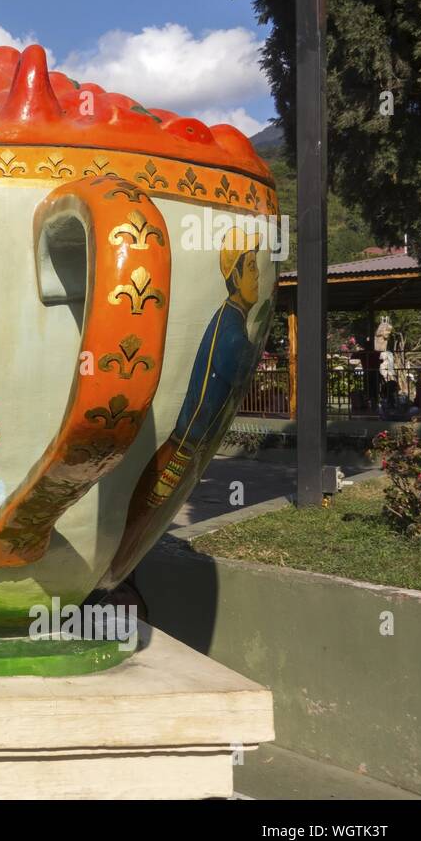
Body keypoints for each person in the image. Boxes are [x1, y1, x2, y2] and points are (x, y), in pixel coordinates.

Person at [108, 229, 263, 582]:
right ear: (235, 276)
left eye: (256, 267)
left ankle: (116, 570)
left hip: (189, 443)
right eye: (251, 267)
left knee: (144, 518)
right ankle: (113, 571)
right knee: (142, 517)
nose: (256, 276)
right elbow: (239, 364)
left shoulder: (232, 319)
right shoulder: (230, 327)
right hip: (183, 445)